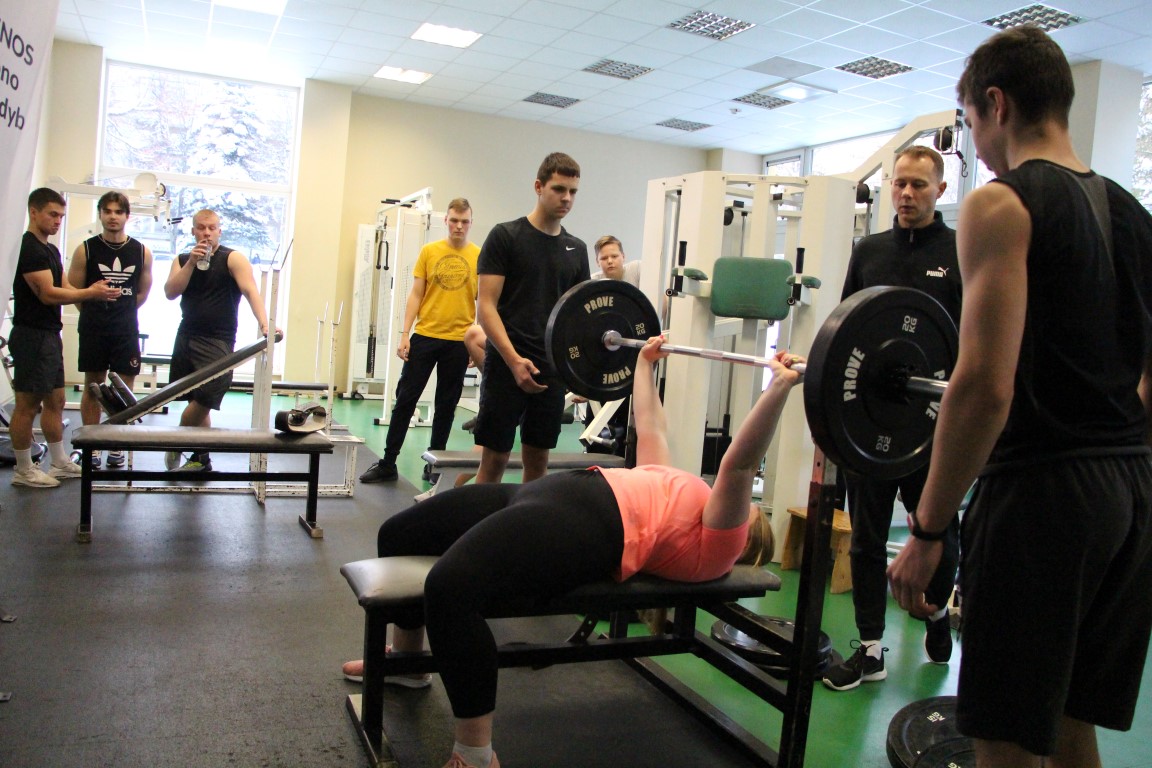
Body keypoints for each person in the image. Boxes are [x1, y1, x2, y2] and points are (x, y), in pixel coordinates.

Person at [343, 337, 803, 768]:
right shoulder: (681, 489)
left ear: (745, 538)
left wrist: (778, 387)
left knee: (450, 588)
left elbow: (740, 465)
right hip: (554, 492)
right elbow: (651, 426)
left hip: (591, 524)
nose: (738, 505)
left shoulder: (719, 545)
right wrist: (644, 364)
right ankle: (407, 663)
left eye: (746, 512)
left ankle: (475, 753)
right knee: (402, 534)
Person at [887, 26, 1152, 767]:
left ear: (996, 105)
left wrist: (929, 530)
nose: (978, 143)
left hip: (1045, 496)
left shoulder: (1001, 205)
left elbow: (983, 384)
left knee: (1003, 736)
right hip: (1133, 491)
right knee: (1070, 722)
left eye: (972, 123)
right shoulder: (1137, 217)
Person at [822, 145, 963, 692]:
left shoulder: (958, 252)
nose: (905, 194)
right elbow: (845, 326)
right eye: (899, 184)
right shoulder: (870, 250)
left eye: (918, 185)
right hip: (869, 418)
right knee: (866, 535)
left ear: (940, 191)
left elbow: (970, 341)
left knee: (939, 530)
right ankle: (871, 648)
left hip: (931, 422)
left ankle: (935, 610)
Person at [472, 152, 589, 484]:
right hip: (506, 365)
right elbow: (486, 307)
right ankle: (481, 519)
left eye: (573, 191)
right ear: (539, 187)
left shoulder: (576, 249)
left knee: (538, 463)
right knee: (494, 460)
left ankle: (528, 519)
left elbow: (577, 315)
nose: (566, 198)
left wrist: (579, 371)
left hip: (551, 370)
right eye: (558, 189)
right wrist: (513, 360)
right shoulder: (505, 236)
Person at [360, 199, 480, 484]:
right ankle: (388, 462)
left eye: (464, 221)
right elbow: (416, 294)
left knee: (446, 406)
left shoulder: (479, 256)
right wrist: (405, 333)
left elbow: (484, 301)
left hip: (458, 341)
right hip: (425, 336)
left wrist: (476, 344)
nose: (459, 226)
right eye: (454, 220)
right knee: (405, 400)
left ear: (470, 223)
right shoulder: (429, 251)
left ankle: (435, 464)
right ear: (446, 221)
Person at [8, 188, 120, 488]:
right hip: (32, 335)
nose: (58, 221)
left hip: (49, 334)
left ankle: (58, 462)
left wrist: (95, 292)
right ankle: (24, 469)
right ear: (34, 212)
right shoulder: (29, 249)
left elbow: (65, 285)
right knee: (27, 404)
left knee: (56, 400)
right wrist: (90, 293)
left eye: (61, 216)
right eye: (52, 214)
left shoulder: (49, 249)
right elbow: (47, 294)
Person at [163, 209, 271, 471]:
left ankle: (175, 440)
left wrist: (265, 323)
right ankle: (201, 458)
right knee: (196, 399)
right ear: (193, 231)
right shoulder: (182, 259)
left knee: (209, 394)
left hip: (218, 340)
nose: (207, 233)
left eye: (212, 228)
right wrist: (191, 263)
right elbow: (170, 292)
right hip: (187, 335)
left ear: (219, 231)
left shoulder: (233, 258)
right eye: (201, 228)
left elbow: (250, 290)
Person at [68, 191, 154, 469]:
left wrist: (121, 311)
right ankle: (92, 446)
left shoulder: (141, 251)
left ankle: (117, 443)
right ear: (101, 214)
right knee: (93, 387)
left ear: (127, 216)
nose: (113, 217)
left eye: (118, 212)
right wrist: (96, 309)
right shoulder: (86, 249)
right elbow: (74, 291)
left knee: (124, 390)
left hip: (125, 329)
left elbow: (142, 293)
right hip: (93, 328)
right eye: (108, 211)